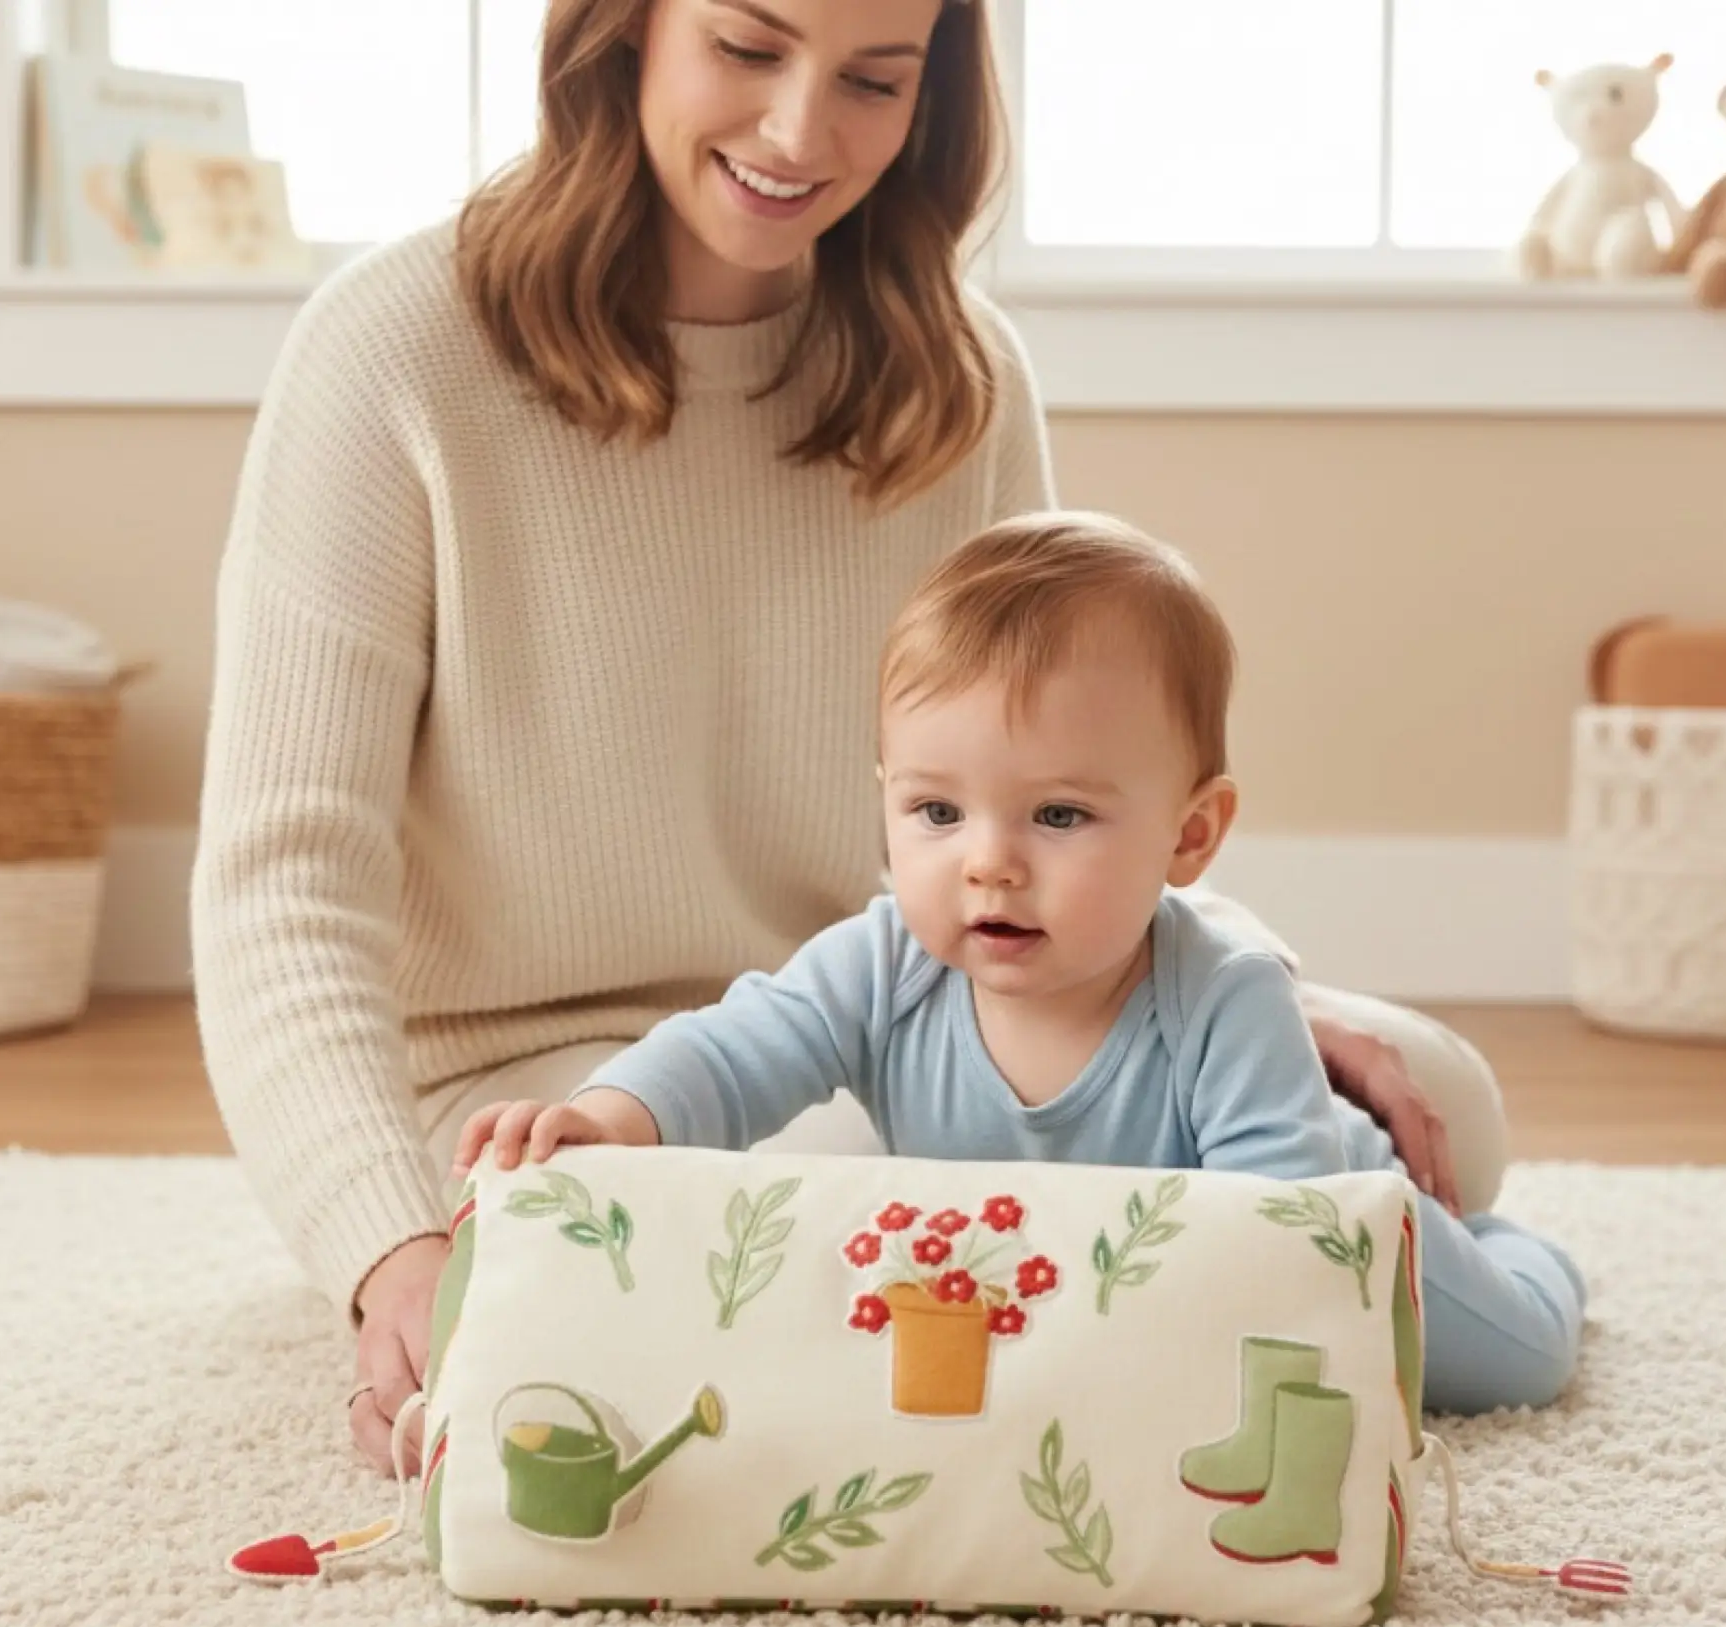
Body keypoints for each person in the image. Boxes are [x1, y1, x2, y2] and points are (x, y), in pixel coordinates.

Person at [193, 0, 1511, 1476]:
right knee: (832, 1237)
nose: (802, 135)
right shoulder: (394, 348)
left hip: (905, 1014)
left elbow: (1045, 779)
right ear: (623, 35)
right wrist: (393, 1250)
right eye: (749, 52)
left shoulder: (959, 372)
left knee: (1433, 1096)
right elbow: (282, 886)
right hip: (545, 1094)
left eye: (875, 80)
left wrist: (1206, 994)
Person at [454, 514, 1583, 1414]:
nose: (988, 864)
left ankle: (1509, 1244)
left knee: (1518, 1364)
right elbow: (737, 1048)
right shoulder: (886, 961)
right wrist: (610, 1118)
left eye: (1057, 814)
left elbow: (1278, 1242)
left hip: (1336, 1193)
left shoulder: (1224, 999)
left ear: (1190, 837)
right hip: (1051, 1287)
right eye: (937, 810)